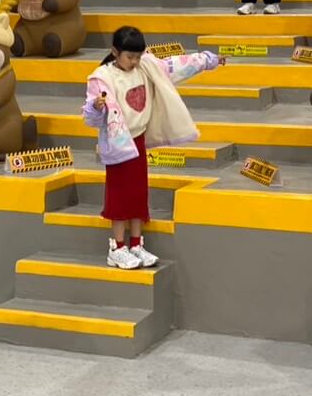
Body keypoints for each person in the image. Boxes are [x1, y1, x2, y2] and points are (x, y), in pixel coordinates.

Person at [83, 26, 221, 270]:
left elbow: (177, 65)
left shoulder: (146, 66)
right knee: (118, 198)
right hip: (118, 145)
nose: (134, 62)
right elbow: (91, 119)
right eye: (129, 57)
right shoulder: (102, 77)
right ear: (115, 52)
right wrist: (96, 107)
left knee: (138, 195)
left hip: (138, 140)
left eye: (138, 56)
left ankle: (136, 244)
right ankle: (117, 248)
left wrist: (209, 60)